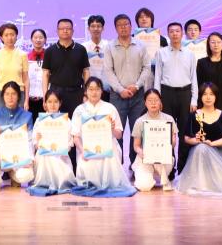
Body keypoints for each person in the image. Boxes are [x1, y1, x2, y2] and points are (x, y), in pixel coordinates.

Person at [70, 77, 136, 197]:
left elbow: (119, 135)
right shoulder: (79, 110)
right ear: (86, 91)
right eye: (91, 89)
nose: (94, 92)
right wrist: (83, 151)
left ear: (101, 91)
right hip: (87, 149)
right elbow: (75, 137)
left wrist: (112, 128)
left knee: (109, 159)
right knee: (89, 167)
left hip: (108, 147)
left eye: (97, 89)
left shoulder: (110, 108)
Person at [105, 14, 149, 165]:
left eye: (126, 24)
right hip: (117, 96)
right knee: (117, 131)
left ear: (131, 26)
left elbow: (147, 68)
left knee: (137, 131)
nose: (123, 27)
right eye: (120, 25)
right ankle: (117, 165)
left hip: (138, 95)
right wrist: (120, 89)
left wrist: (137, 86)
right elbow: (108, 71)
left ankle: (136, 165)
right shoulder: (110, 47)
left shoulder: (141, 45)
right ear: (115, 28)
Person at [154, 22, 198, 172]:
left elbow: (193, 78)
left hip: (185, 94)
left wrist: (194, 99)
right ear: (168, 34)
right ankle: (169, 168)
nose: (174, 34)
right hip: (167, 94)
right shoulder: (161, 53)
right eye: (171, 31)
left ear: (182, 34)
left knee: (185, 132)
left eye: (177, 31)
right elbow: (157, 77)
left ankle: (183, 167)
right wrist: (157, 99)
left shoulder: (190, 54)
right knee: (167, 131)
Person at [0, 81, 35, 192]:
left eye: (13, 94)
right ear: (3, 96)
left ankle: (14, 176)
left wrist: (29, 159)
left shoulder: (27, 116)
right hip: (1, 158)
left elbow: (30, 140)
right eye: (7, 94)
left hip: (19, 157)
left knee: (26, 176)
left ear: (19, 96)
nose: (10, 97)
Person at [27, 89, 76, 196]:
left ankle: (58, 182)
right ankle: (46, 182)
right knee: (46, 156)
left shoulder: (66, 120)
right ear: (45, 103)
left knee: (56, 160)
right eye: (49, 102)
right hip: (43, 154)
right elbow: (35, 141)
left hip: (61, 154)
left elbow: (70, 141)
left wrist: (62, 150)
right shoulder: (40, 120)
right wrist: (39, 142)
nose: (53, 105)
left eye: (55, 102)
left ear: (60, 103)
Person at [131, 89, 177, 192]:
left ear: (160, 102)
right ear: (145, 103)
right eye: (150, 100)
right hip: (145, 158)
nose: (153, 103)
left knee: (160, 156)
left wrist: (169, 144)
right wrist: (142, 152)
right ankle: (159, 179)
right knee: (144, 186)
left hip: (163, 159)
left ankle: (164, 178)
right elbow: (136, 146)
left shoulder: (169, 119)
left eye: (156, 100)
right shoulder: (140, 121)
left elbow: (174, 143)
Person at [42, 18, 90, 115]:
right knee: (57, 122)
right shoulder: (50, 51)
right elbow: (45, 74)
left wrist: (86, 93)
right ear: (57, 31)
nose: (65, 31)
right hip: (55, 94)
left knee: (76, 121)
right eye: (62, 28)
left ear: (72, 31)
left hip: (76, 93)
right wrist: (45, 96)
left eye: (68, 28)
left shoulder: (81, 49)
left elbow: (86, 72)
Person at [0, 24, 29, 112]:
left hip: (18, 93)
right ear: (1, 37)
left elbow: (26, 79)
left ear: (16, 36)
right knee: (1, 119)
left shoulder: (23, 55)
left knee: (17, 120)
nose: (9, 38)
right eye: (6, 35)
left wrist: (26, 100)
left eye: (12, 34)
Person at [83, 15, 109, 101]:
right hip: (89, 89)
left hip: (106, 89)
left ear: (103, 28)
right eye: (93, 26)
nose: (96, 29)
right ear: (88, 28)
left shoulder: (109, 46)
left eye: (98, 26)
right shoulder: (83, 48)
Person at [26, 29, 48, 119]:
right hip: (29, 98)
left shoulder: (49, 56)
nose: (38, 40)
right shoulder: (26, 57)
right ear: (31, 39)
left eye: (41, 37)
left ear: (45, 40)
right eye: (35, 37)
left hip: (45, 99)